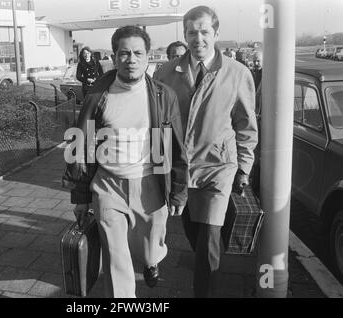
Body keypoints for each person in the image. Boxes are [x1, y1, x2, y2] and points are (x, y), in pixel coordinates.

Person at [62, 25, 188, 298]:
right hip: (108, 187)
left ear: (148, 57)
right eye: (124, 53)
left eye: (138, 53)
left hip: (151, 185)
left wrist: (179, 191)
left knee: (150, 248)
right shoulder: (98, 95)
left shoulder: (163, 96)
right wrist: (80, 196)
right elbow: (80, 144)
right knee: (116, 259)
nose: (131, 59)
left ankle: (152, 260)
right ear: (114, 56)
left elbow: (176, 147)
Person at [153, 5, 258, 298]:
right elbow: (157, 123)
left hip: (219, 167)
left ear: (216, 33)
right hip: (180, 170)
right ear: (184, 35)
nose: (198, 38)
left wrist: (245, 168)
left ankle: (205, 291)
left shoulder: (237, 73)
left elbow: (246, 125)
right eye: (191, 32)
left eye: (204, 31)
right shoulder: (165, 72)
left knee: (209, 239)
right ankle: (206, 262)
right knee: (194, 233)